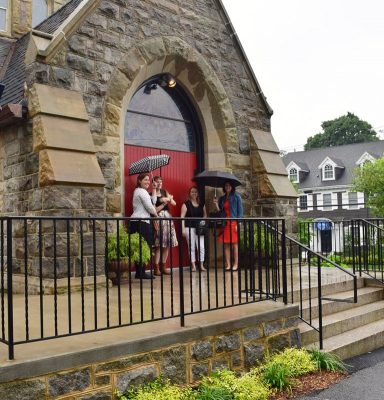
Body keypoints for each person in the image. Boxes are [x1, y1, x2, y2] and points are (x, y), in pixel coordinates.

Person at [130, 173, 158, 279]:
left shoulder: (142, 191)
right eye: (145, 180)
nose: (147, 182)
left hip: (140, 221)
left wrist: (154, 189)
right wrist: (156, 216)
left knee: (141, 247)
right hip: (141, 222)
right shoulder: (141, 191)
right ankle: (141, 272)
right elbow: (150, 207)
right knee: (143, 247)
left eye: (148, 180)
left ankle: (140, 272)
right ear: (139, 181)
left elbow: (153, 202)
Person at [213, 180, 243, 271]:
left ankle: (236, 264)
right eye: (226, 185)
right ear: (224, 187)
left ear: (232, 187)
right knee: (226, 244)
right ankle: (228, 264)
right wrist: (216, 204)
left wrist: (238, 223)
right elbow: (220, 212)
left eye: (229, 185)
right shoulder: (222, 198)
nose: (227, 187)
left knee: (235, 244)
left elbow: (240, 211)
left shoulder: (237, 196)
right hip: (225, 223)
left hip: (233, 222)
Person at [151, 176, 178, 276]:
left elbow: (174, 203)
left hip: (167, 219)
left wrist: (167, 199)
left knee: (166, 245)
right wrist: (164, 202)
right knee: (158, 245)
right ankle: (156, 268)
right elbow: (154, 210)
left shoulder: (164, 192)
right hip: (159, 219)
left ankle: (163, 267)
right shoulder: (151, 195)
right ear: (154, 183)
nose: (159, 184)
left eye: (161, 182)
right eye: (157, 182)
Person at [180, 187, 207, 272]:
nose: (194, 193)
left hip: (200, 229)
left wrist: (202, 222)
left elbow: (205, 215)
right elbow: (182, 217)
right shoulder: (186, 204)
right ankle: (193, 266)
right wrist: (183, 229)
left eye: (195, 192)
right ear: (189, 193)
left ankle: (201, 265)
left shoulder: (202, 204)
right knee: (191, 247)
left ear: (198, 193)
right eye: (192, 192)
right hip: (189, 228)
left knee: (201, 247)